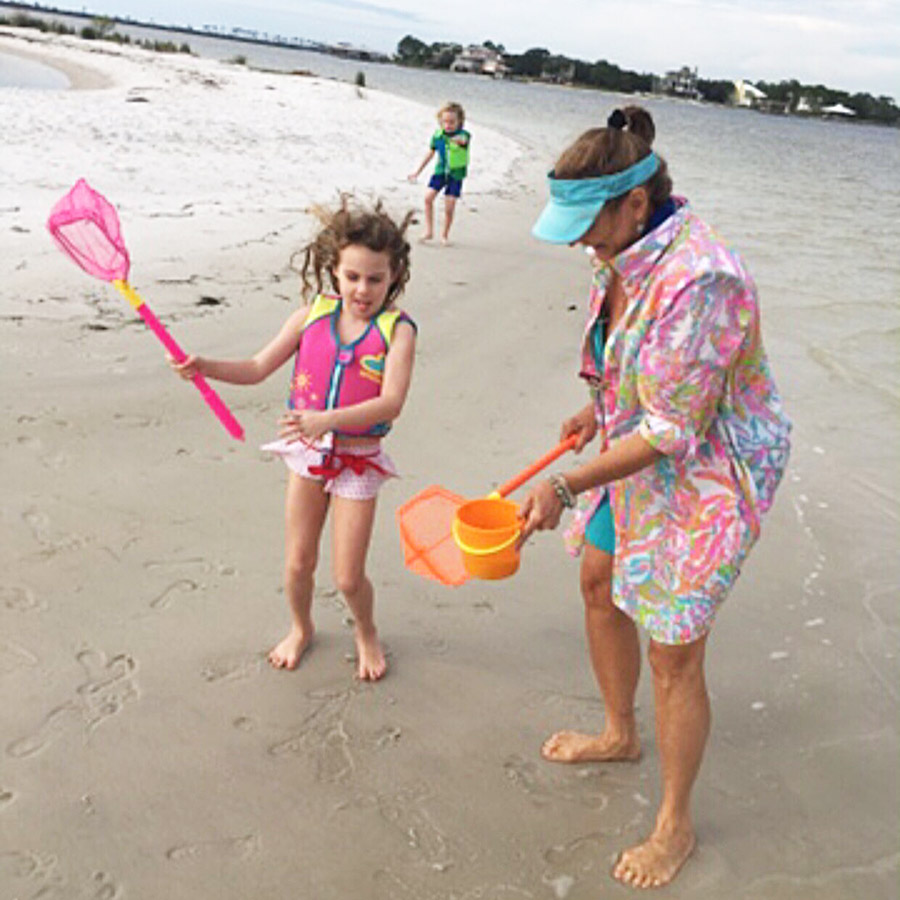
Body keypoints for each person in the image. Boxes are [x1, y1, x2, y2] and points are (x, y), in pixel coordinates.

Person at [520, 106, 791, 888]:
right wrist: (597, 407)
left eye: (587, 224)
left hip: (713, 469)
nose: (578, 240)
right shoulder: (624, 244)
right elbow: (633, 360)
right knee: (598, 583)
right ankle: (618, 732)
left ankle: (675, 825)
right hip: (639, 442)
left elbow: (676, 432)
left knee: (672, 651)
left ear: (635, 201)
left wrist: (566, 484)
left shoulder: (702, 278)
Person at [171, 198, 417, 681]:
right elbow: (258, 368)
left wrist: (326, 419)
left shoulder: (397, 332)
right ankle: (301, 627)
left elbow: (391, 403)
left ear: (394, 277)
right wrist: (207, 367)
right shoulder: (310, 317)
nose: (362, 289)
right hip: (307, 455)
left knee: (348, 575)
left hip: (357, 461)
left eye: (374, 278)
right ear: (334, 271)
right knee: (298, 562)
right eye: (352, 277)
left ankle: (365, 629)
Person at [408, 101, 471, 244]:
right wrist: (417, 172)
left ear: (459, 122)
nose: (448, 125)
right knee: (428, 198)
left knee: (449, 207)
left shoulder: (464, 136)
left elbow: (462, 141)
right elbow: (430, 154)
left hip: (456, 175)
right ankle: (429, 231)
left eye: (452, 122)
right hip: (440, 172)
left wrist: (451, 139)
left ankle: (445, 235)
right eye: (445, 122)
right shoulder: (438, 137)